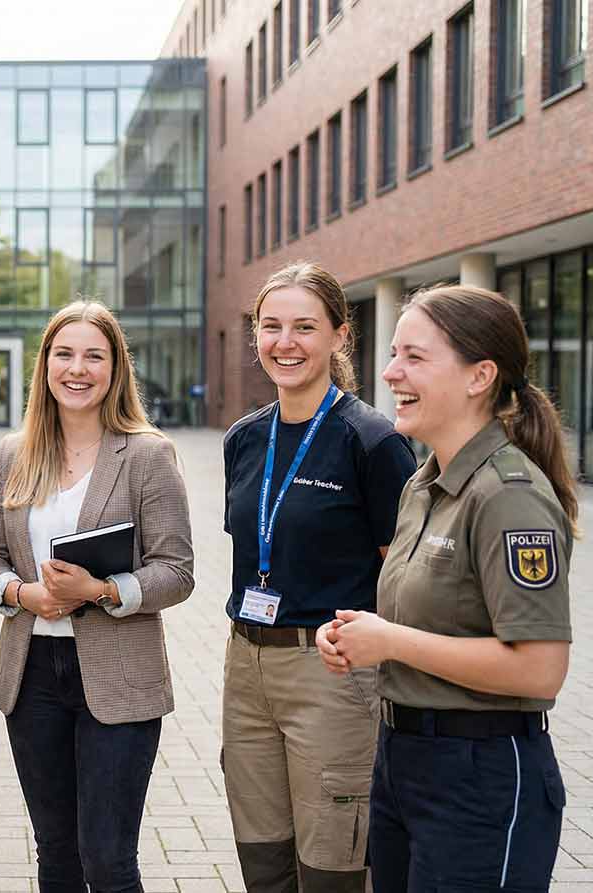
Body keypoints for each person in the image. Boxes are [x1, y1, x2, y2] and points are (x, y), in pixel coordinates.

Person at [319, 285, 575, 890]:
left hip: (480, 776)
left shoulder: (508, 495)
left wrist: (391, 643)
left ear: (479, 376)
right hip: (403, 759)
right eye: (393, 354)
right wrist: (359, 636)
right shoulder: (422, 485)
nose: (390, 373)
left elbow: (540, 670)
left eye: (414, 357)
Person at [0, 300, 194, 893]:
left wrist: (100, 590)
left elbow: (177, 571)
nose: (78, 369)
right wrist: (22, 593)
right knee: (56, 854)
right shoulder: (14, 453)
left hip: (119, 675)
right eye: (64, 354)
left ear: (115, 368)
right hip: (33, 676)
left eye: (94, 356)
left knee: (108, 860)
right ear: (45, 364)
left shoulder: (147, 455)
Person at [219, 263, 417, 892]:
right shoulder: (244, 439)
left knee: (334, 861)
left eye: (304, 327)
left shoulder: (373, 441)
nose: (285, 342)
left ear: (339, 335)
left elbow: (403, 580)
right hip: (246, 666)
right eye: (271, 326)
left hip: (332, 672)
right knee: (263, 857)